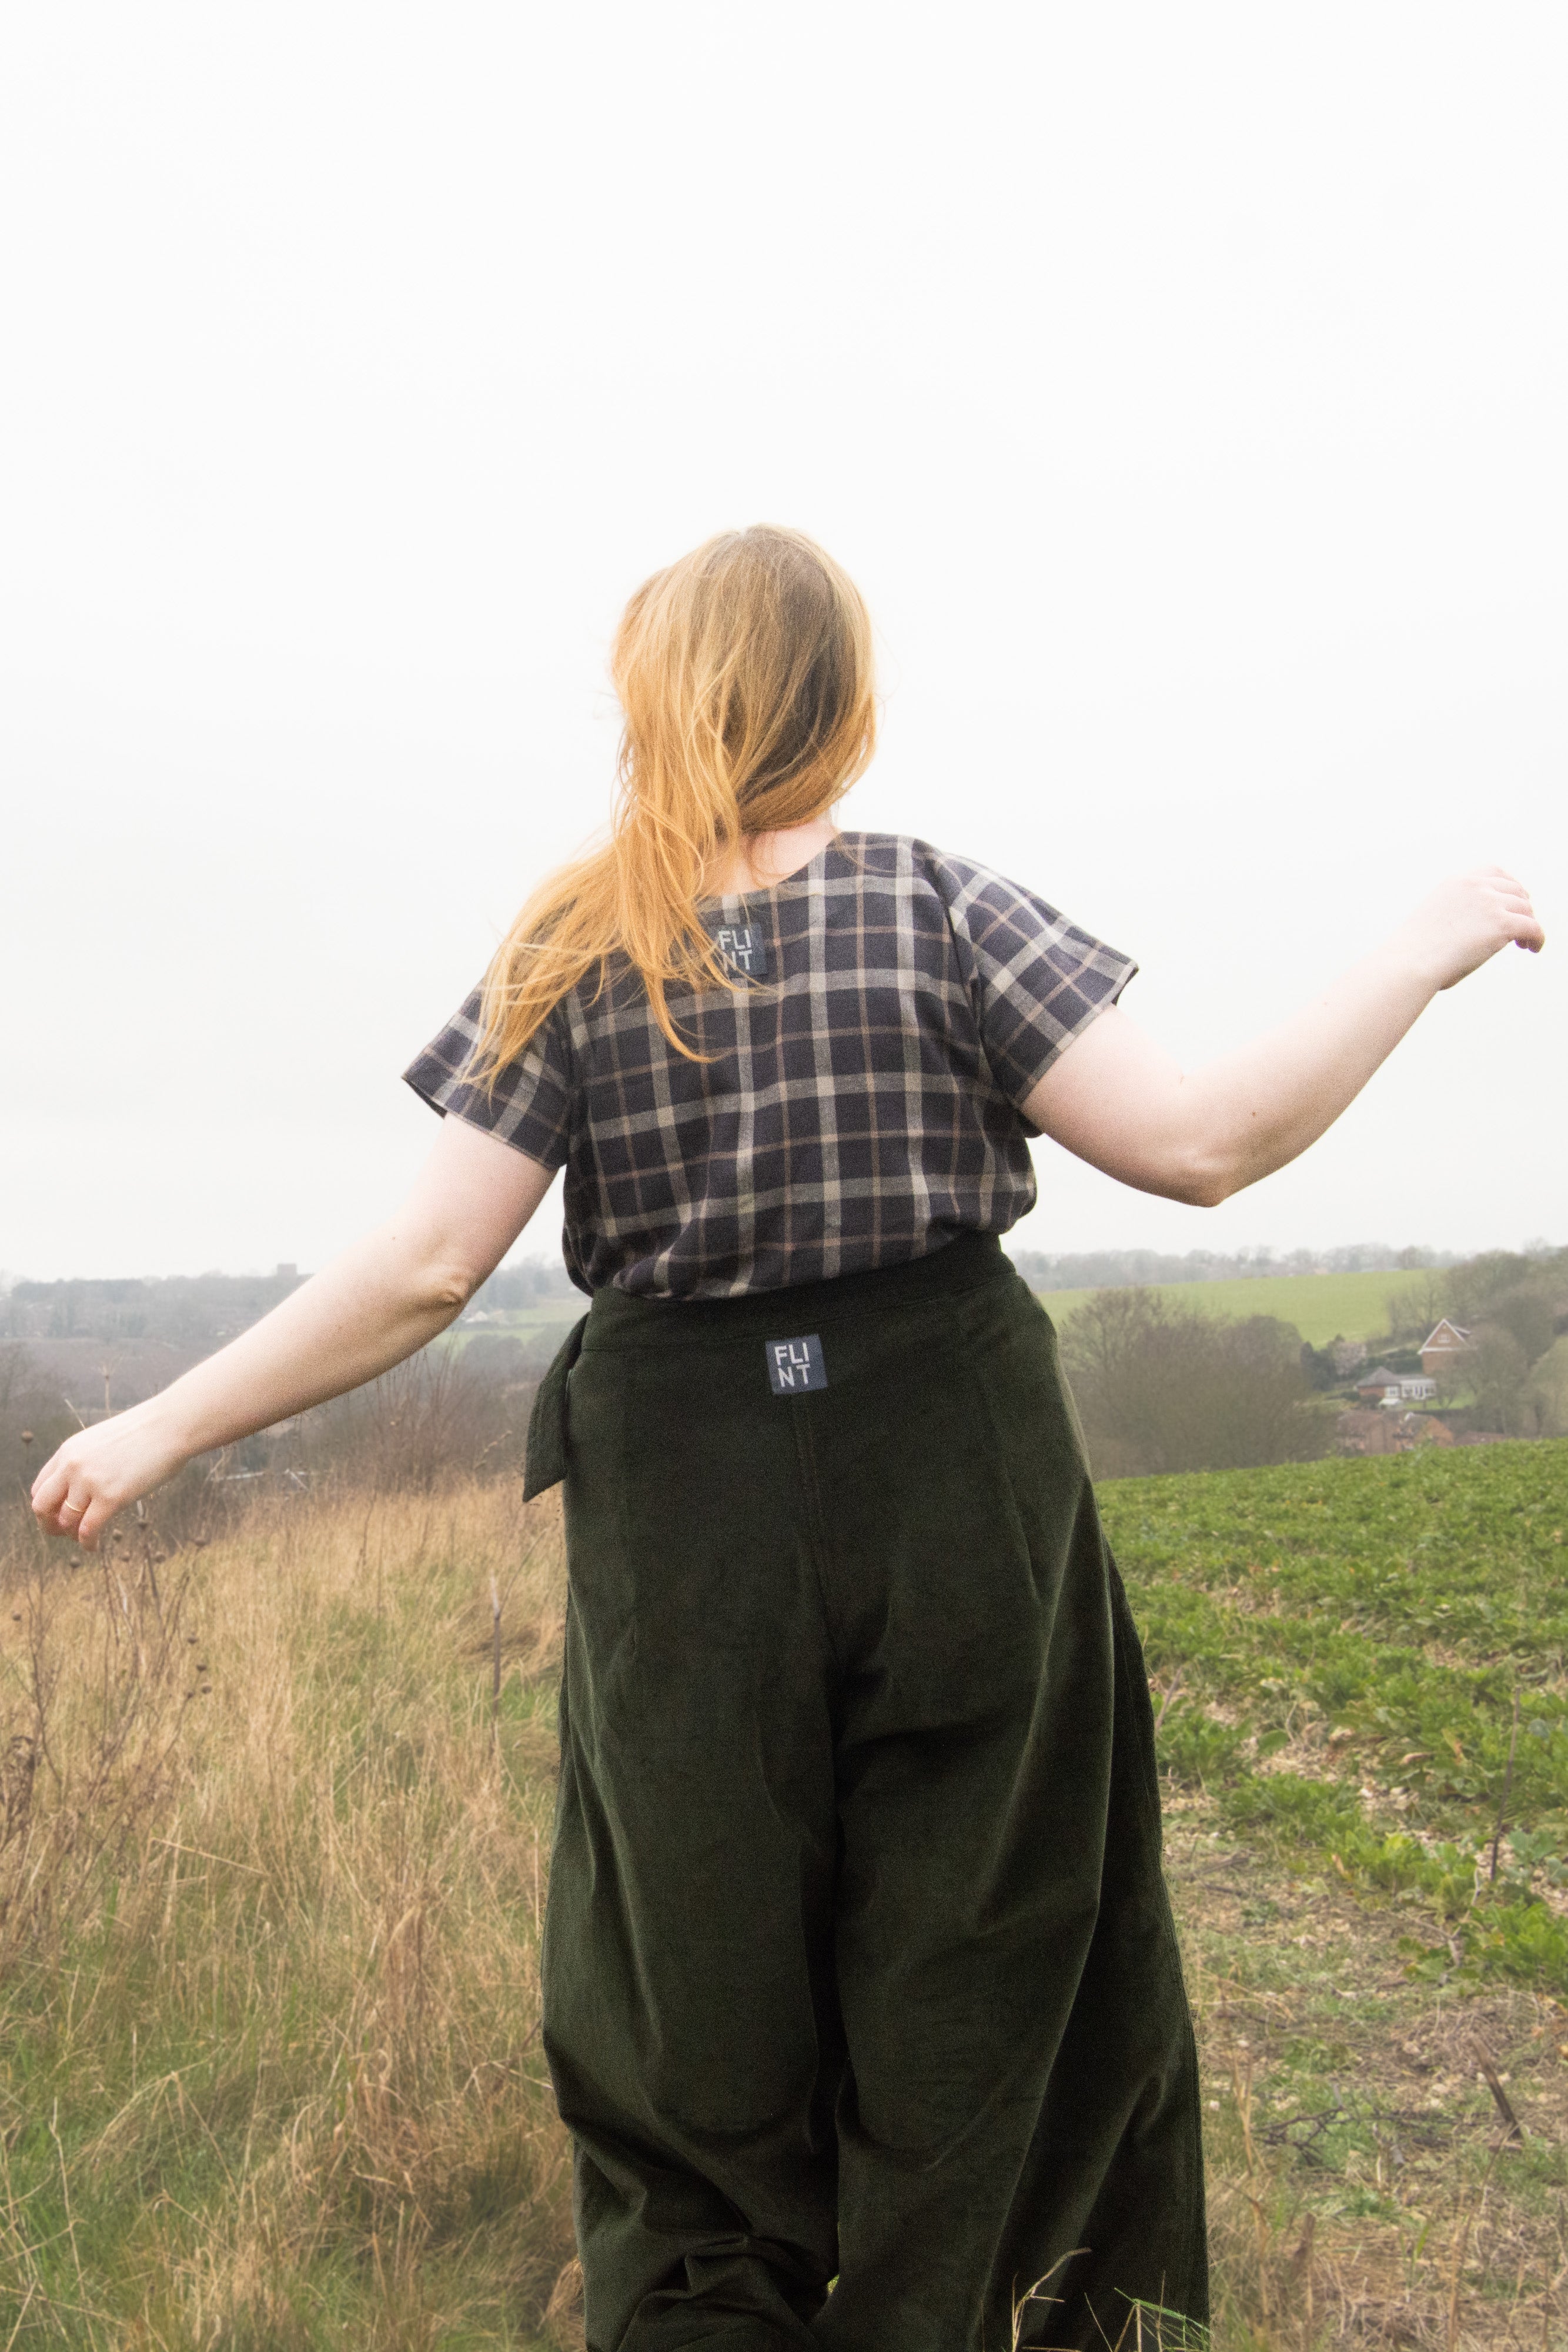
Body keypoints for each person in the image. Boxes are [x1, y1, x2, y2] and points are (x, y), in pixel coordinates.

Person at [33, 527, 1543, 2352]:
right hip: (952, 1477)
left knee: (691, 1980)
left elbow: (433, 1265)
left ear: (648, 704)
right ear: (844, 700)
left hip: (691, 1512)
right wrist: (1417, 952)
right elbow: (1205, 1144)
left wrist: (170, 1421)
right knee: (992, 1951)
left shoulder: (581, 941)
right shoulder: (938, 906)